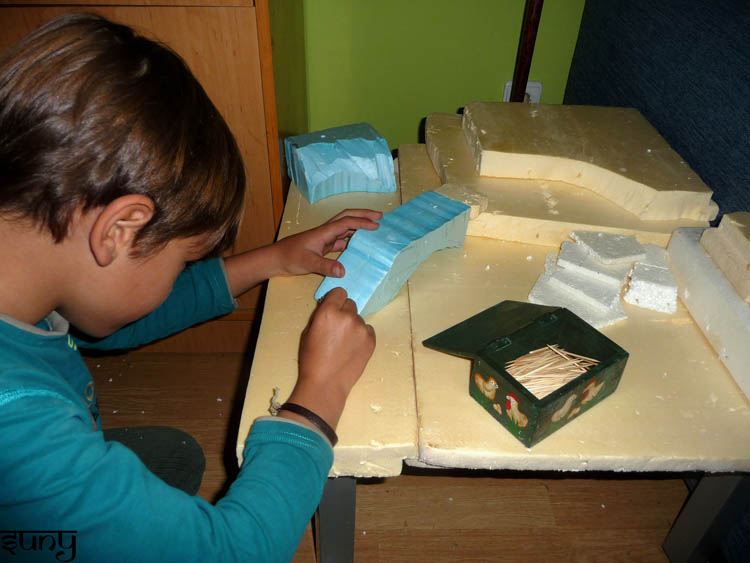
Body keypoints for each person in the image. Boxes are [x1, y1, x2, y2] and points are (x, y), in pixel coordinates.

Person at [0, 12, 380, 562]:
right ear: (118, 230)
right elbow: (235, 554)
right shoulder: (20, 427)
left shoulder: (23, 272)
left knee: (173, 456)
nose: (179, 274)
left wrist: (271, 259)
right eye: (184, 261)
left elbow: (105, 324)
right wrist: (320, 393)